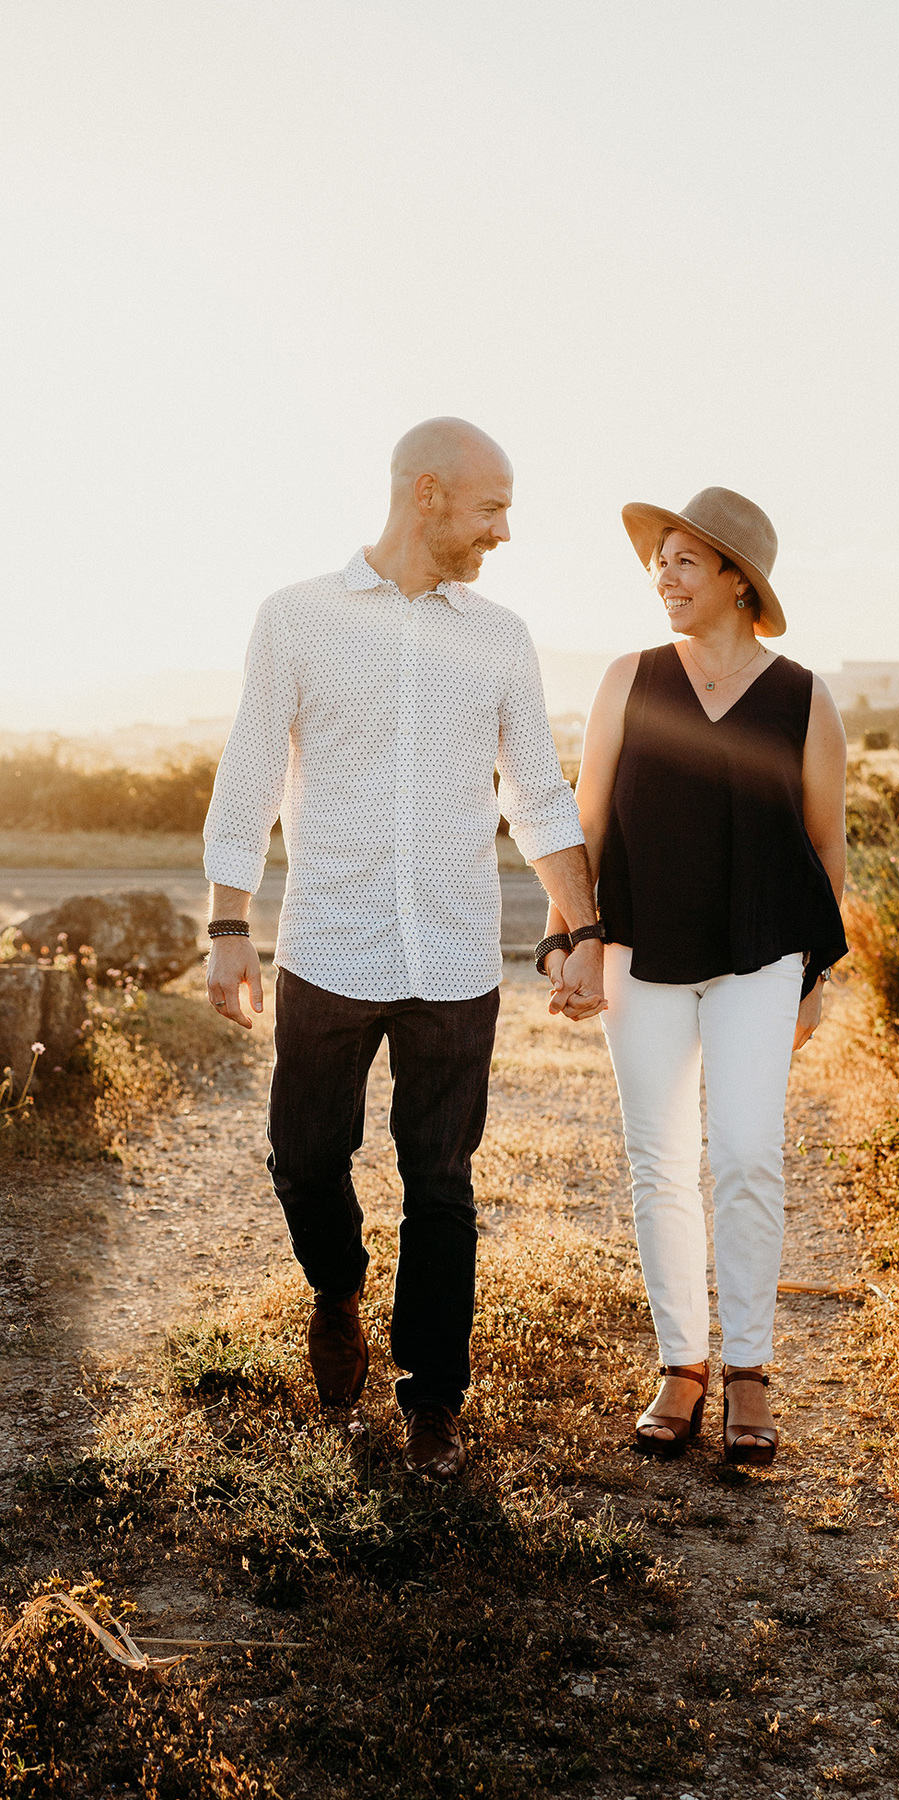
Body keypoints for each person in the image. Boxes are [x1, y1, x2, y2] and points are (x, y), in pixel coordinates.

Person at [203, 417, 604, 1479]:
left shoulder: (501, 638)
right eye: (492, 508)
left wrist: (581, 928)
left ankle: (433, 1402)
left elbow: (539, 793)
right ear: (427, 492)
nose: (504, 531)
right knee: (303, 1160)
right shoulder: (296, 618)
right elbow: (248, 776)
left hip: (457, 960)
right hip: (328, 948)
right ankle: (337, 1289)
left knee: (442, 1183)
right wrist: (230, 926)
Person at [539, 487, 847, 1465]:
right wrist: (569, 936)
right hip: (641, 950)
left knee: (749, 1154)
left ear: (736, 580)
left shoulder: (804, 697)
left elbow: (826, 845)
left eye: (683, 561)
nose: (662, 579)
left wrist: (815, 973)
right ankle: (683, 1364)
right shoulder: (628, 679)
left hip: (764, 953)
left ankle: (749, 1368)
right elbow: (585, 819)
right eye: (657, 562)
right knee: (660, 1161)